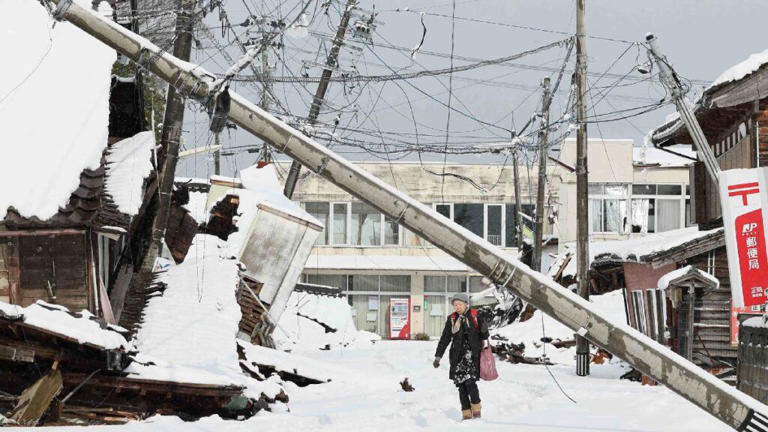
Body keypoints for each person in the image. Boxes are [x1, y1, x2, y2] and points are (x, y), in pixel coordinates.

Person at [433, 292, 490, 420]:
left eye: (459, 304)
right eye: (455, 305)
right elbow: (445, 339)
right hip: (457, 357)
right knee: (461, 386)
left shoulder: (475, 316)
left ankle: (476, 408)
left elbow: (485, 336)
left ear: (466, 304)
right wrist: (438, 357)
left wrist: (484, 328)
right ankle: (466, 414)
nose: (457, 307)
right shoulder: (452, 319)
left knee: (470, 383)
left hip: (472, 356)